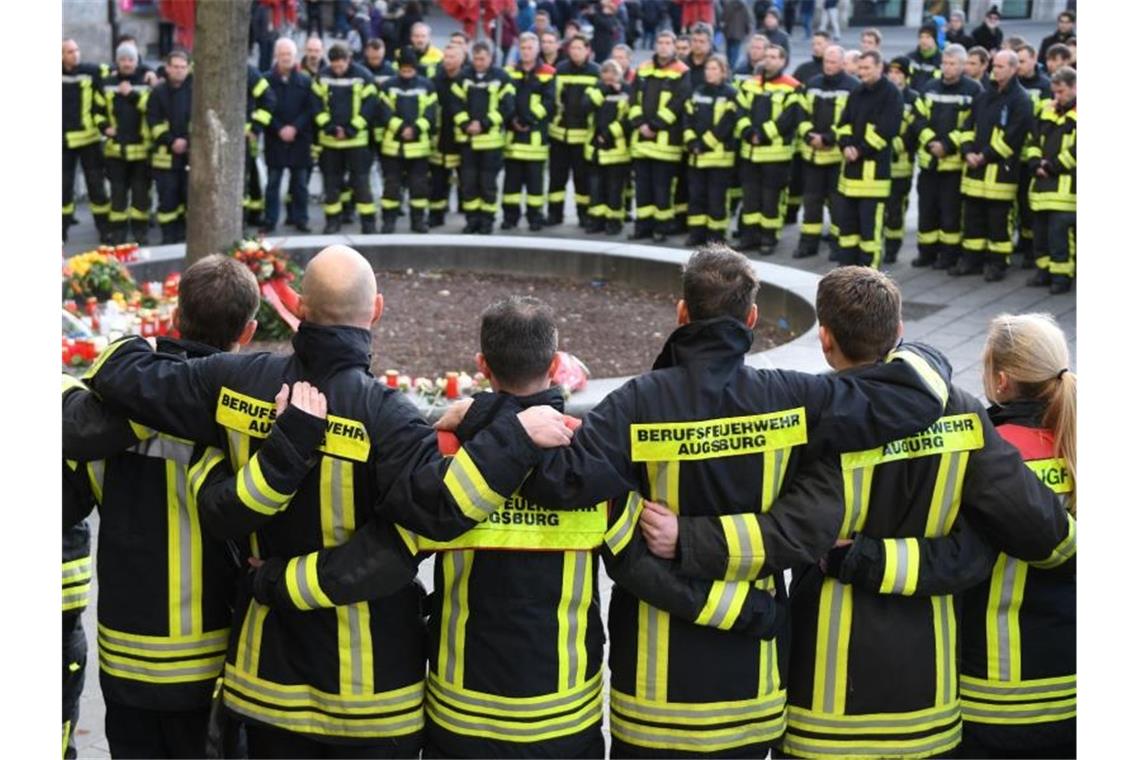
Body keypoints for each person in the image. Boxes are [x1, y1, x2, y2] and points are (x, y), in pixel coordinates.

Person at [240, 294, 786, 759]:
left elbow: (373, 562)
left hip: (462, 717)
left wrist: (274, 581)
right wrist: (747, 611)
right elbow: (646, 573)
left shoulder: (447, 455)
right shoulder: (589, 463)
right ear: (554, 367)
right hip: (562, 721)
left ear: (482, 365)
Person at [82, 244, 577, 758]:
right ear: (377, 310)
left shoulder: (234, 382)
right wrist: (510, 436)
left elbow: (126, 380)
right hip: (373, 699)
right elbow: (439, 511)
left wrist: (125, 348)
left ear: (295, 305)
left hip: (265, 683)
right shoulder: (392, 419)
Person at [498, 244, 956, 758]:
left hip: (654, 699)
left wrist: (484, 418)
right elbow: (909, 399)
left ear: (682, 314)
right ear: (752, 318)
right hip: (752, 687)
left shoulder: (635, 403)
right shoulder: (792, 397)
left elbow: (556, 479)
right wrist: (920, 350)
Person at [776, 271, 1075, 760]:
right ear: (898, 332)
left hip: (822, 699)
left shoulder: (805, 417)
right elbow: (1034, 536)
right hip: (928, 700)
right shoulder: (961, 413)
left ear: (825, 340)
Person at [62, 256, 263, 758]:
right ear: (248, 331)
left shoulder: (113, 408)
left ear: (175, 317)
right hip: (210, 660)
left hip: (124, 655)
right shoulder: (234, 415)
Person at [955, 313, 1077, 758]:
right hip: (1075, 690)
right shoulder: (1080, 443)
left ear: (1001, 382)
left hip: (993, 695)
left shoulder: (985, 454)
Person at [957, 49, 1033, 281]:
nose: (995, 70)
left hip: (1001, 173)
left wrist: (984, 156)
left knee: (998, 222)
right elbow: (968, 126)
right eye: (994, 66)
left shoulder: (1021, 100)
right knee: (973, 219)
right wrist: (968, 151)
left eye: (1000, 67)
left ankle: (997, 263)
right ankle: (972, 259)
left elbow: (1013, 137)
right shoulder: (984, 96)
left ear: (1013, 69)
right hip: (975, 173)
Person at [911, 43, 981, 271]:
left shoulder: (973, 90)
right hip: (929, 163)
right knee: (927, 210)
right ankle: (926, 252)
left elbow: (972, 125)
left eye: (953, 64)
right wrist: (932, 142)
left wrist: (948, 145)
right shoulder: (929, 87)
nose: (947, 68)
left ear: (962, 66)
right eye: (945, 63)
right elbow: (918, 118)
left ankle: (948, 256)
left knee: (950, 214)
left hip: (953, 166)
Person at [833, 49, 902, 268]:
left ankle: (869, 278)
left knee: (869, 235)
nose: (861, 73)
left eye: (866, 68)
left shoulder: (891, 94)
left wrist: (859, 150)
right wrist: (845, 145)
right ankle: (846, 272)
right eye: (860, 68)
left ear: (879, 68)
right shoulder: (857, 92)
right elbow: (843, 124)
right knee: (848, 232)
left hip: (874, 180)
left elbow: (887, 131)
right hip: (850, 179)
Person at [794, 44, 858, 260]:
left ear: (842, 63)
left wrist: (828, 138)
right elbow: (801, 114)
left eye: (833, 62)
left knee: (837, 204)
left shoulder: (852, 87)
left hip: (836, 159)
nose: (829, 66)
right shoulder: (811, 85)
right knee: (811, 203)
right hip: (812, 155)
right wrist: (809, 136)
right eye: (826, 62)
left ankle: (837, 245)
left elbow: (850, 122)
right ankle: (808, 244)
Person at [736, 43, 800, 255]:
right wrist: (748, 132)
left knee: (771, 200)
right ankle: (749, 237)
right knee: (750, 198)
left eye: (774, 56)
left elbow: (788, 120)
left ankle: (768, 238)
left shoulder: (793, 86)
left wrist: (761, 134)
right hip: (750, 154)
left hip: (776, 156)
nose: (769, 60)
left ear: (783, 61)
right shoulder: (749, 84)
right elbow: (740, 110)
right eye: (767, 56)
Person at [629, 30, 691, 242]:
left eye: (668, 43)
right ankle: (642, 226)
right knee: (643, 188)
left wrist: (654, 126)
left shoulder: (682, 71)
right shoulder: (643, 68)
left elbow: (678, 102)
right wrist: (639, 123)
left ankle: (661, 228)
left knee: (662, 188)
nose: (664, 46)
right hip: (641, 141)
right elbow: (633, 98)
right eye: (660, 42)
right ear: (655, 45)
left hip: (666, 143)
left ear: (674, 47)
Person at [313, 43, 378, 234]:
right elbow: (316, 107)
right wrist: (332, 129)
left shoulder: (363, 76)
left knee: (361, 183)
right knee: (331, 184)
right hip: (330, 142)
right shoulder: (322, 77)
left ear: (348, 60)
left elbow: (369, 107)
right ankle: (333, 221)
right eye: (334, 66)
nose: (337, 69)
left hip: (357, 141)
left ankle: (368, 223)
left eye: (341, 65)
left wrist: (350, 129)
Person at [374, 46, 437, 234]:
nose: (407, 74)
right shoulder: (388, 86)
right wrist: (401, 128)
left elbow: (431, 113)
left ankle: (418, 221)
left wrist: (415, 129)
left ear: (416, 69)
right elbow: (384, 112)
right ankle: (388, 221)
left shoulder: (426, 86)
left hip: (419, 148)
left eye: (410, 70)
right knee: (391, 187)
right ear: (398, 68)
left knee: (419, 187)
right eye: (404, 70)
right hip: (393, 147)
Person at [455, 41, 515, 235]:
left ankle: (487, 220)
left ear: (490, 58)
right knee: (469, 183)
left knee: (488, 184)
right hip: (468, 142)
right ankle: (472, 219)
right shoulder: (463, 77)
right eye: (476, 58)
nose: (479, 62)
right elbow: (455, 106)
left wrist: (484, 124)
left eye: (483, 59)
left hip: (491, 143)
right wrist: (466, 124)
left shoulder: (502, 78)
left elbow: (507, 106)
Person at [1025, 66, 1077, 295]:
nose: (1057, 97)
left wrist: (1052, 165)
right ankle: (1044, 271)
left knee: (1060, 237)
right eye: (1054, 92)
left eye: (1062, 92)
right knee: (1041, 234)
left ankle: (1062, 277)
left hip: (1065, 190)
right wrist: (1036, 163)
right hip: (1041, 186)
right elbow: (1033, 140)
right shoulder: (1046, 110)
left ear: (1075, 88)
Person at [681, 55, 738, 246]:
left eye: (714, 69)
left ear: (723, 72)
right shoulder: (697, 92)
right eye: (708, 69)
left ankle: (716, 237)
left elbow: (726, 125)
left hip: (718, 158)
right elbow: (687, 118)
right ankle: (696, 233)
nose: (710, 72)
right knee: (696, 197)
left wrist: (702, 144)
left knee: (717, 200)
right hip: (696, 157)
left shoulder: (730, 94)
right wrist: (691, 141)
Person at [263, 38, 317, 235]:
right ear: (276, 55)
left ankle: (300, 219)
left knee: (300, 184)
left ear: (295, 57)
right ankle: (270, 220)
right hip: (275, 138)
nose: (286, 58)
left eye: (289, 54)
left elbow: (310, 109)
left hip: (299, 139)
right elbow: (264, 108)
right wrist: (279, 128)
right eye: (282, 54)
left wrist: (294, 128)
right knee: (272, 184)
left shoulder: (305, 81)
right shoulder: (266, 80)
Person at [502, 33, 556, 232]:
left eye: (530, 48)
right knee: (511, 184)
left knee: (535, 185)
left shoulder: (548, 72)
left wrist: (528, 119)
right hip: (513, 137)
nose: (526, 52)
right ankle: (510, 217)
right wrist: (513, 119)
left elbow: (549, 103)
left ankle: (535, 217)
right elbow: (505, 99)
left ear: (537, 50)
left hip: (535, 138)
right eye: (523, 48)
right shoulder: (509, 72)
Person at [100, 42, 151, 245]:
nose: (127, 63)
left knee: (140, 197)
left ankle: (140, 233)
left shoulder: (146, 81)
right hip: (116, 152)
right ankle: (118, 234)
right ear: (117, 61)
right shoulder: (107, 83)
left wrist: (131, 94)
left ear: (136, 61)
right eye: (123, 59)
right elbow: (96, 111)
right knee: (118, 196)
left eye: (131, 59)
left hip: (140, 152)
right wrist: (104, 127)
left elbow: (151, 108)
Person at [547, 34, 601, 227]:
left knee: (582, 180)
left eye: (579, 48)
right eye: (573, 48)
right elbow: (553, 99)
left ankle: (583, 216)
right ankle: (554, 214)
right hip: (559, 133)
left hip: (582, 135)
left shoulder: (596, 72)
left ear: (587, 50)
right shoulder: (560, 69)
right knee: (556, 178)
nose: (575, 51)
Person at [62, 38, 111, 244]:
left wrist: (153, 72)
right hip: (62, 142)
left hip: (90, 140)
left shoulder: (92, 71)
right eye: (70, 52)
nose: (76, 54)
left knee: (96, 187)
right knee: (62, 189)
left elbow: (123, 67)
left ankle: (105, 231)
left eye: (77, 50)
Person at [1012, 43, 1054, 266]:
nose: (1019, 65)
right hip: (1013, 155)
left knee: (1029, 206)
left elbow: (1042, 125)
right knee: (1017, 203)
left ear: (1034, 59)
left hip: (1031, 155)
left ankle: (1030, 249)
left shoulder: (1044, 86)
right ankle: (1021, 242)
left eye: (1023, 60)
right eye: (1016, 61)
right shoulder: (1012, 84)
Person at [146, 50, 192, 244]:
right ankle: (168, 237)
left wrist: (187, 140)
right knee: (167, 198)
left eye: (183, 67)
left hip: (190, 155)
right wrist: (171, 141)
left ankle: (184, 236)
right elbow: (153, 122)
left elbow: (199, 120)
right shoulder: (158, 92)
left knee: (187, 197)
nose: (179, 71)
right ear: (167, 68)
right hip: (165, 157)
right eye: (175, 67)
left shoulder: (196, 91)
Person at [583, 59, 633, 236]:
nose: (609, 77)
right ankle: (597, 221)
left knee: (614, 190)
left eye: (613, 73)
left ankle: (614, 222)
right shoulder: (595, 89)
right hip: (595, 148)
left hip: (617, 149)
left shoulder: (627, 91)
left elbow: (631, 118)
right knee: (596, 189)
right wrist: (605, 89)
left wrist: (610, 133)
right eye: (606, 73)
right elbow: (585, 106)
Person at [427, 44, 468, 228]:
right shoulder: (435, 81)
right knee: (437, 182)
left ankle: (469, 218)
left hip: (462, 140)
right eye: (446, 57)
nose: (448, 61)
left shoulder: (467, 80)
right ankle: (436, 216)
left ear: (461, 59)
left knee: (467, 182)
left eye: (452, 57)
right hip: (440, 139)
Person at [883, 57, 919, 265]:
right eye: (892, 73)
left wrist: (891, 145)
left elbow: (913, 132)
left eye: (899, 73)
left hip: (901, 166)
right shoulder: (883, 96)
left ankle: (892, 248)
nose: (894, 77)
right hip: (880, 166)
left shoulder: (913, 99)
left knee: (896, 211)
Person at [243, 63, 276, 230]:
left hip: (244, 139)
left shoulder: (249, 72)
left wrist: (255, 128)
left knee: (247, 178)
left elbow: (268, 99)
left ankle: (247, 217)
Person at [906, 22, 943, 92]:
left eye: (928, 37)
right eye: (921, 37)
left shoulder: (942, 60)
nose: (923, 40)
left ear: (934, 39)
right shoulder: (910, 58)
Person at [722, 0, 756, 69]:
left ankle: (728, 65)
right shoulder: (744, 6)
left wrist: (724, 29)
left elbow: (724, 17)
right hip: (739, 33)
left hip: (728, 32)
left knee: (728, 50)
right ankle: (732, 67)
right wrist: (747, 31)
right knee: (735, 51)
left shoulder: (728, 5)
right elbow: (748, 20)